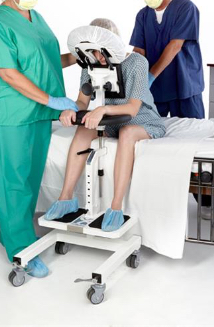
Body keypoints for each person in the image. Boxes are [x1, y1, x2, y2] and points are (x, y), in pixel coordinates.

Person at [0, 0, 78, 277]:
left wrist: (80, 56)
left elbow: (44, 63)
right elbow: (7, 72)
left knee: (30, 178)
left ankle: (21, 233)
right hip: (10, 112)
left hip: (37, 112)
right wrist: (52, 99)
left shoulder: (36, 17)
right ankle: (18, 248)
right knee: (13, 181)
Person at [44, 19, 166, 232]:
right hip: (109, 120)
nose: (98, 58)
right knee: (83, 128)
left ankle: (116, 206)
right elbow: (83, 101)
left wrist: (102, 110)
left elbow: (133, 109)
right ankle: (65, 199)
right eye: (93, 52)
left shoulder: (137, 62)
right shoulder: (90, 64)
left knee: (127, 132)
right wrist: (70, 109)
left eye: (102, 52)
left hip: (141, 119)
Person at [130, 0, 213, 217]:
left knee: (196, 144)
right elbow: (139, 49)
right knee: (158, 145)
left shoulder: (186, 8)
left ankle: (205, 201)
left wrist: (151, 75)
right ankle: (163, 198)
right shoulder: (143, 16)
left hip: (184, 85)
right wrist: (132, 74)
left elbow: (174, 46)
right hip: (155, 92)